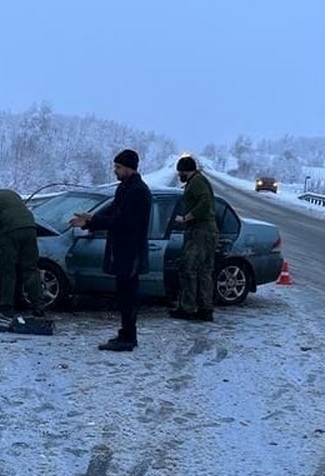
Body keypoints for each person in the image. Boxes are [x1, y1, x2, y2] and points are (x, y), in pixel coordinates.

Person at [69, 148, 152, 351]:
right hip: (121, 250)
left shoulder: (138, 191)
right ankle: (125, 334)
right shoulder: (124, 188)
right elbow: (113, 214)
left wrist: (92, 220)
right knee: (123, 294)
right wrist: (90, 221)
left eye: (118, 167)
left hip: (130, 252)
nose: (115, 171)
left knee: (128, 296)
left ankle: (128, 338)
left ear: (129, 168)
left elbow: (125, 221)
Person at [0, 187, 48, 318]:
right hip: (30, 229)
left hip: (9, 232)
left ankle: (6, 307)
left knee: (7, 270)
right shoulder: (12, 194)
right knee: (30, 269)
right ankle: (38, 305)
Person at [171, 154, 219, 322]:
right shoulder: (198, 181)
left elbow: (205, 203)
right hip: (206, 231)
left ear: (185, 171)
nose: (179, 176)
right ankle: (205, 309)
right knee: (204, 272)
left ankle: (188, 308)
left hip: (200, 231)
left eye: (180, 173)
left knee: (189, 269)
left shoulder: (197, 182)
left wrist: (187, 218)